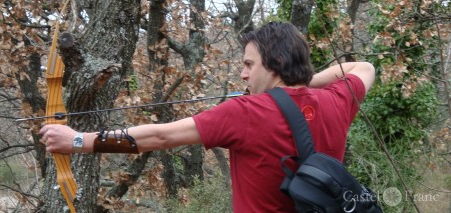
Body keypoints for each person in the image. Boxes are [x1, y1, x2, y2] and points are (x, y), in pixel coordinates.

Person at [39, 21, 375, 212]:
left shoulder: (245, 112)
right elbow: (364, 68)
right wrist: (299, 85)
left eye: (248, 65)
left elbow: (160, 137)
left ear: (277, 62)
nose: (243, 76)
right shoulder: (336, 100)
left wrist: (77, 141)